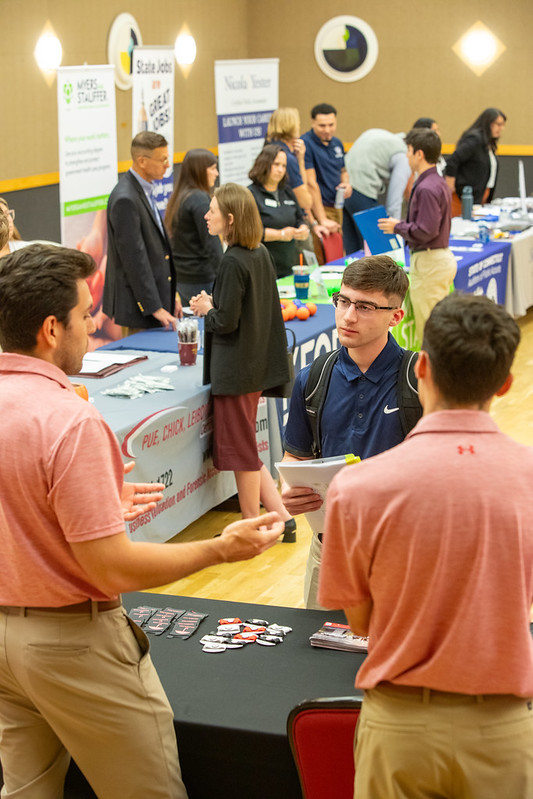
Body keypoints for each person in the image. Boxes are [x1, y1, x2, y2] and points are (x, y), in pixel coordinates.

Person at [0, 243, 283, 798]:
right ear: (51, 329)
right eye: (85, 315)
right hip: (72, 645)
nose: (94, 325)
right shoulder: (70, 419)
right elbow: (112, 569)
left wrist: (92, 501)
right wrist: (220, 549)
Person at [318, 292, 532, 799]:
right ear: (504, 384)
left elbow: (361, 622)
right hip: (502, 728)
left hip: (400, 727)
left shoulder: (358, 487)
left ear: (422, 367)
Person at [280, 256, 422, 607]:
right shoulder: (312, 379)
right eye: (342, 301)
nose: (348, 315)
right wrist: (289, 490)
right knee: (319, 660)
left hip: (404, 558)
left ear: (396, 316)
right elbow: (295, 456)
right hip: (329, 552)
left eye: (364, 306)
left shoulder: (422, 380)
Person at [190, 183, 296, 542]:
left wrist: (207, 309)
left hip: (236, 370)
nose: (207, 215)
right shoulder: (259, 252)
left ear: (230, 219)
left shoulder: (234, 259)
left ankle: (252, 524)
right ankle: (282, 517)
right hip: (253, 368)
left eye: (213, 210)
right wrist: (215, 305)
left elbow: (226, 321)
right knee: (246, 447)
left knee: (241, 453)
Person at [378, 128, 457, 344]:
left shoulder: (426, 188)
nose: (406, 156)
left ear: (419, 154)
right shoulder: (436, 182)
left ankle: (433, 376)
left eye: (409, 151)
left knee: (430, 331)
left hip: (430, 261)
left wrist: (398, 227)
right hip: (438, 258)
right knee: (436, 327)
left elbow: (426, 230)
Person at [104, 131, 182, 336]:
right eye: (163, 159)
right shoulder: (125, 199)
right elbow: (134, 259)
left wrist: (172, 295)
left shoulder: (143, 190)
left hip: (157, 302)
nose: (167, 165)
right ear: (142, 161)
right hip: (140, 310)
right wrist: (154, 306)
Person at [164, 148, 223, 307]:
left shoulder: (180, 196)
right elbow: (211, 242)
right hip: (200, 278)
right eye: (212, 168)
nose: (216, 173)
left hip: (183, 276)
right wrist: (225, 276)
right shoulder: (199, 199)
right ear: (199, 171)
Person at [344, 128, 411, 253]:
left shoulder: (388, 138)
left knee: (353, 250)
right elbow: (395, 199)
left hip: (345, 187)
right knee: (379, 249)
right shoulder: (404, 154)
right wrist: (394, 230)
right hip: (363, 189)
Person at [265, 107, 329, 238]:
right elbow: (305, 201)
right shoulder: (286, 158)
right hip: (292, 227)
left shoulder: (268, 150)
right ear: (292, 126)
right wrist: (300, 161)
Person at [248, 144, 309, 278]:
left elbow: (299, 218)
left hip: (288, 266)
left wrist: (303, 228)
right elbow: (249, 232)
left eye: (283, 165)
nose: (280, 170)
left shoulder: (287, 191)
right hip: (262, 268)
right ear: (264, 164)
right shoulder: (250, 194)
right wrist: (280, 234)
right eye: (276, 164)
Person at [302, 103, 354, 260]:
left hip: (337, 206)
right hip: (320, 208)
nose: (327, 130)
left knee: (338, 253)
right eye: (322, 126)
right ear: (312, 122)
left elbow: (343, 171)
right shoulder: (306, 144)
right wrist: (321, 218)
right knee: (324, 256)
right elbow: (310, 184)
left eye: (331, 125)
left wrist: (346, 183)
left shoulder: (337, 143)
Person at [445, 107, 506, 216]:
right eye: (498, 124)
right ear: (488, 123)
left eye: (502, 125)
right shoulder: (474, 140)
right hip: (463, 197)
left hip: (481, 196)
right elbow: (453, 160)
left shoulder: (488, 143)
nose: (501, 128)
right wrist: (450, 185)